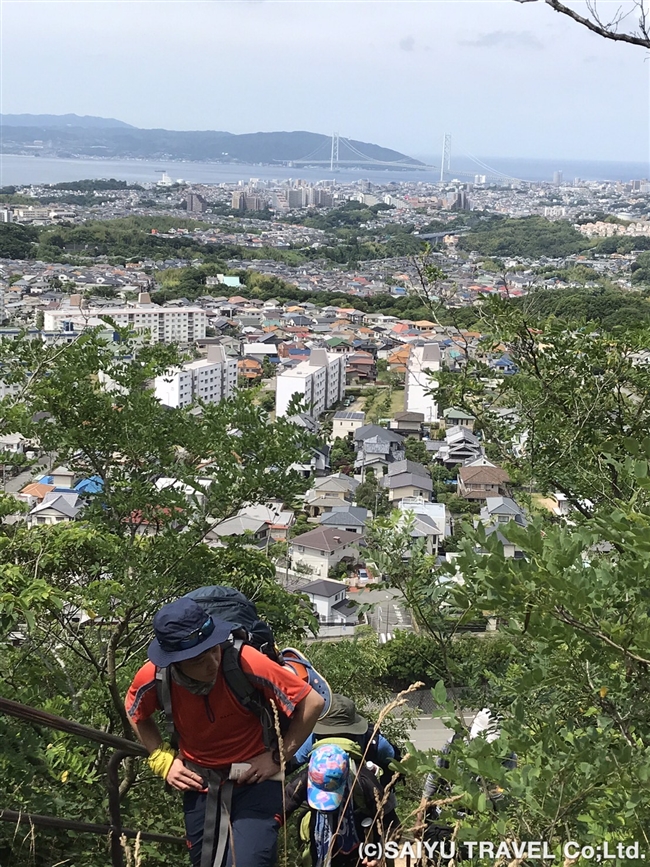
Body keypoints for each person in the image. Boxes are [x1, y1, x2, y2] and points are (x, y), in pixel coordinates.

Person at [125, 597, 325, 867]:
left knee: (250, 861)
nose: (212, 662)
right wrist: (161, 759)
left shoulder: (244, 661)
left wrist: (278, 756)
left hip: (257, 778)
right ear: (175, 662)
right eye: (198, 659)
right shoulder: (155, 676)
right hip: (200, 783)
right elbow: (135, 710)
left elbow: (312, 702)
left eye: (214, 649)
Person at [284, 742, 393, 867]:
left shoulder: (364, 782)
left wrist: (379, 856)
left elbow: (391, 824)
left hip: (360, 852)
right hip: (320, 849)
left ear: (346, 777)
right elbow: (280, 809)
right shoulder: (310, 776)